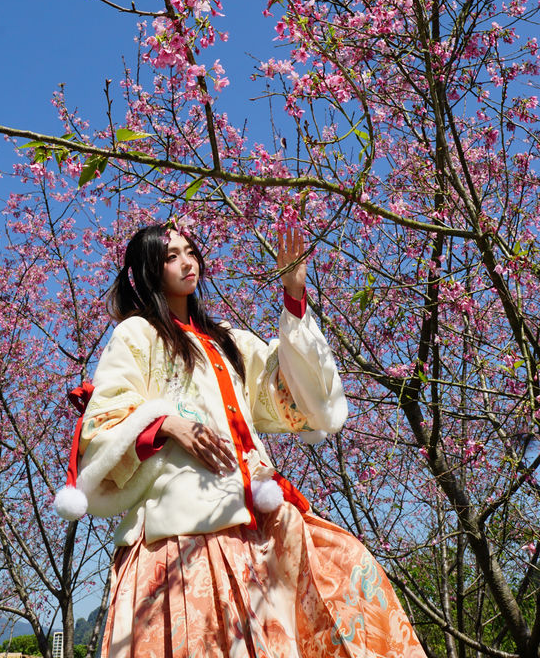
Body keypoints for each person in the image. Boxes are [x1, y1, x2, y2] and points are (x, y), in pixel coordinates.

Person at [55, 224, 426, 658]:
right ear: (149, 270)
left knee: (350, 571)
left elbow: (294, 392)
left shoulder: (227, 340)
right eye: (171, 256)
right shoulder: (137, 335)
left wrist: (294, 296)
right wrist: (166, 423)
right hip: (181, 537)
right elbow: (104, 424)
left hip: (255, 520)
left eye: (190, 251)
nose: (187, 261)